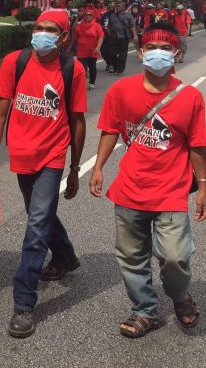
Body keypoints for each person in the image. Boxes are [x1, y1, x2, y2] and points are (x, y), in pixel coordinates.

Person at [89, 22, 206, 338]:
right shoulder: (120, 91)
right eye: (151, 47)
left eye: (166, 48)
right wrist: (98, 167)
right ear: (140, 53)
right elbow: (110, 130)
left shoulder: (190, 97)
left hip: (171, 193)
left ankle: (179, 295)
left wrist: (203, 186)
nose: (158, 53)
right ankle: (145, 311)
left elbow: (197, 145)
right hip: (129, 191)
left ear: (177, 54)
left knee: (175, 257)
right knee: (131, 257)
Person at [0, 9, 87, 338]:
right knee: (38, 214)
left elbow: (77, 122)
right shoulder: (14, 62)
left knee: (36, 224)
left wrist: (74, 169)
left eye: (51, 29)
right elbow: (0, 112)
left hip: (52, 155)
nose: (42, 33)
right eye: (39, 27)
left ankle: (24, 302)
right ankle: (65, 256)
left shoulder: (72, 69)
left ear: (64, 37)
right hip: (21, 152)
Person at [73, 9, 104, 90]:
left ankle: (92, 83)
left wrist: (98, 47)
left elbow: (101, 37)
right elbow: (75, 37)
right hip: (81, 51)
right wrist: (70, 47)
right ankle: (82, 84)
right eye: (86, 15)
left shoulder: (97, 26)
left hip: (92, 50)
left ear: (92, 16)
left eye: (90, 15)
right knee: (82, 68)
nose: (88, 16)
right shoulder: (79, 26)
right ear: (84, 16)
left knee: (92, 67)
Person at [105, 0, 135, 76]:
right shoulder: (112, 16)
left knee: (122, 54)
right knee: (112, 53)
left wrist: (135, 36)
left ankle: (120, 70)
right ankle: (115, 67)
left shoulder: (128, 15)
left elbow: (132, 26)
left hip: (124, 37)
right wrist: (108, 34)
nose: (117, 8)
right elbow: (109, 26)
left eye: (119, 6)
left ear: (123, 7)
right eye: (116, 6)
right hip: (113, 37)